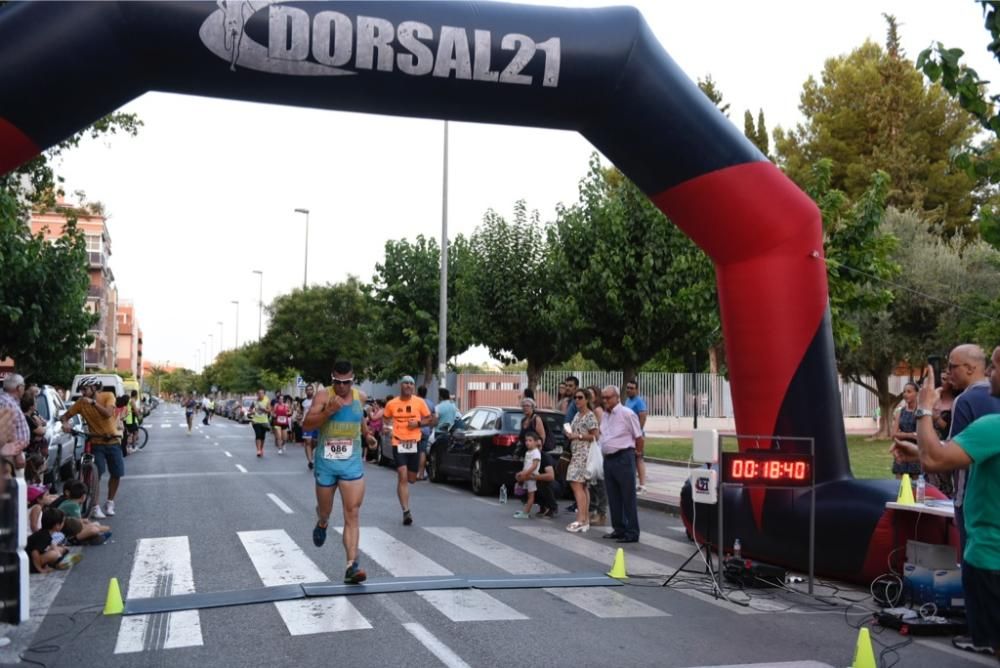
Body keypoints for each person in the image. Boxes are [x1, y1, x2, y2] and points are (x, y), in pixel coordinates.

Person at [904, 345, 1000, 658]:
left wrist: (924, 408)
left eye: (995, 368)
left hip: (990, 554)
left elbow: (935, 458)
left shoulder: (990, 423)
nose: (989, 375)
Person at [303, 360, 373, 584]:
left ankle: (352, 566)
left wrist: (367, 434)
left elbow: (359, 417)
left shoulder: (359, 397)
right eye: (337, 382)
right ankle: (322, 522)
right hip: (326, 465)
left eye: (346, 382)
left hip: (351, 465)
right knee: (326, 510)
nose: (342, 386)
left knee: (352, 513)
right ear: (332, 379)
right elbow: (306, 425)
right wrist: (327, 413)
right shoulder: (323, 396)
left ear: (353, 380)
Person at [61, 376, 122, 520]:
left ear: (94, 388)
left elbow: (108, 414)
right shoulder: (81, 403)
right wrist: (65, 424)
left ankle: (110, 502)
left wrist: (93, 403)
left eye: (85, 389)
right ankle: (94, 506)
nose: (82, 392)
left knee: (117, 473)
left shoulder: (108, 396)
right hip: (96, 441)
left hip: (112, 440)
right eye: (81, 390)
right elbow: (65, 416)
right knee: (96, 475)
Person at [383, 376, 432, 526]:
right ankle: (406, 511)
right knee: (402, 476)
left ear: (413, 387)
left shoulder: (419, 402)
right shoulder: (392, 404)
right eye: (406, 383)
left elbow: (430, 419)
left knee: (411, 479)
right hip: (398, 442)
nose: (408, 385)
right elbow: (386, 420)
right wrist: (387, 429)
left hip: (414, 443)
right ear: (401, 385)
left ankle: (408, 485)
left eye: (411, 383)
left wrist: (418, 423)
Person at [599, 385, 643, 543]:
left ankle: (632, 531)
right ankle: (619, 528)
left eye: (608, 397)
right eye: (603, 398)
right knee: (613, 496)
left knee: (627, 496)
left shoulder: (627, 414)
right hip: (609, 458)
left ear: (617, 397)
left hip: (624, 456)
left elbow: (639, 437)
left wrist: (637, 455)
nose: (605, 401)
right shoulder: (605, 415)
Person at [565, 388, 598, 533]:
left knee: (576, 485)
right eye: (575, 398)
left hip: (584, 455)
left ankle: (581, 519)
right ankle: (584, 519)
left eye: (580, 397)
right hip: (576, 452)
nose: (577, 400)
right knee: (583, 487)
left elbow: (595, 435)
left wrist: (577, 436)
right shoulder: (577, 415)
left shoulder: (590, 416)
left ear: (587, 399)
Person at [929, 369, 958, 497]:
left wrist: (936, 417)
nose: (943, 382)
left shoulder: (956, 402)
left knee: (946, 483)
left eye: (946, 379)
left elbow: (950, 428)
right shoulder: (933, 399)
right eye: (941, 379)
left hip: (946, 445)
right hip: (930, 442)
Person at [27, 507, 81, 573]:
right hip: (30, 564)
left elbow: (51, 544)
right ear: (57, 526)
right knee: (53, 554)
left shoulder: (46, 533)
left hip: (34, 558)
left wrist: (61, 550)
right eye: (63, 522)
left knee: (60, 549)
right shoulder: (44, 536)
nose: (64, 524)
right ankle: (59, 563)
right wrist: (40, 569)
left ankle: (58, 561)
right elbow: (34, 553)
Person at [889, 382, 921, 479]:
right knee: (899, 486)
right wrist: (910, 435)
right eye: (904, 392)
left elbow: (921, 435)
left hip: (916, 451)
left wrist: (901, 434)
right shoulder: (900, 412)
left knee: (916, 486)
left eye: (909, 391)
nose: (905, 394)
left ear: (916, 393)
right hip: (901, 451)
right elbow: (893, 435)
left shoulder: (920, 411)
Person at [624, 379, 649, 494]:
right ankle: (631, 483)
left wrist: (637, 434)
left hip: (636, 435)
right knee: (632, 459)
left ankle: (643, 485)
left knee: (639, 458)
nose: (629, 390)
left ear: (637, 390)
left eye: (632, 388)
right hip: (628, 435)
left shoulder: (639, 401)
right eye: (628, 388)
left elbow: (642, 417)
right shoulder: (627, 401)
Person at [513, 431, 542, 519]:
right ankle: (525, 510)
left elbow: (534, 465)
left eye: (530, 440)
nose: (527, 442)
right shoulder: (528, 452)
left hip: (531, 476)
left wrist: (525, 473)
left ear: (536, 442)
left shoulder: (536, 452)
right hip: (527, 476)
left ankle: (526, 513)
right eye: (526, 440)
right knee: (527, 495)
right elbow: (527, 464)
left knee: (531, 496)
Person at [415, 385, 435, 480]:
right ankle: (421, 474)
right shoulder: (431, 403)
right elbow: (433, 419)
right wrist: (430, 429)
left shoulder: (414, 402)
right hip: (426, 430)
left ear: (418, 392)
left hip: (415, 430)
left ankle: (413, 473)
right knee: (422, 452)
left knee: (413, 452)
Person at [250, 388, 271, 457]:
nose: (260, 395)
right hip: (255, 421)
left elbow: (269, 410)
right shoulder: (255, 401)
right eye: (259, 393)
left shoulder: (267, 400)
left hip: (264, 421)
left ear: (264, 394)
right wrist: (251, 412)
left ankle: (261, 449)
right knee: (258, 435)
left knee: (262, 436)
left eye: (262, 393)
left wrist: (264, 409)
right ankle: (258, 450)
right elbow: (250, 409)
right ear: (257, 394)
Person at [301, 384, 317, 470]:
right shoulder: (303, 402)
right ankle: (310, 461)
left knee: (315, 442)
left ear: (313, 391)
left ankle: (312, 454)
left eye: (311, 389)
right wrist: (300, 419)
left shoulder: (317, 400)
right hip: (306, 423)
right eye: (308, 390)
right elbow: (300, 411)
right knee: (308, 441)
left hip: (315, 423)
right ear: (305, 391)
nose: (309, 391)